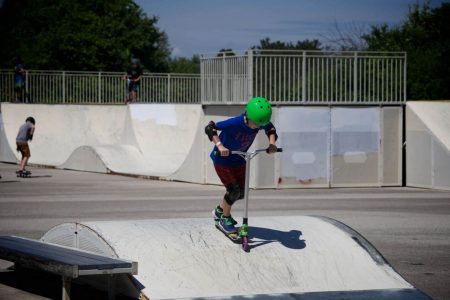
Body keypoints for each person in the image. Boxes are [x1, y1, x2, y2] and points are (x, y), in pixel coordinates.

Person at [205, 97, 279, 234]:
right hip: (222, 160)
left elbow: (270, 128)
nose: (257, 127)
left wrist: (272, 144)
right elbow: (210, 127)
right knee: (233, 190)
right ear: (248, 116)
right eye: (255, 124)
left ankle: (219, 211)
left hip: (239, 160)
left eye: (259, 125)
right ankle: (224, 219)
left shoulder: (259, 121)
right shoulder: (235, 123)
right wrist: (220, 146)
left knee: (242, 193)